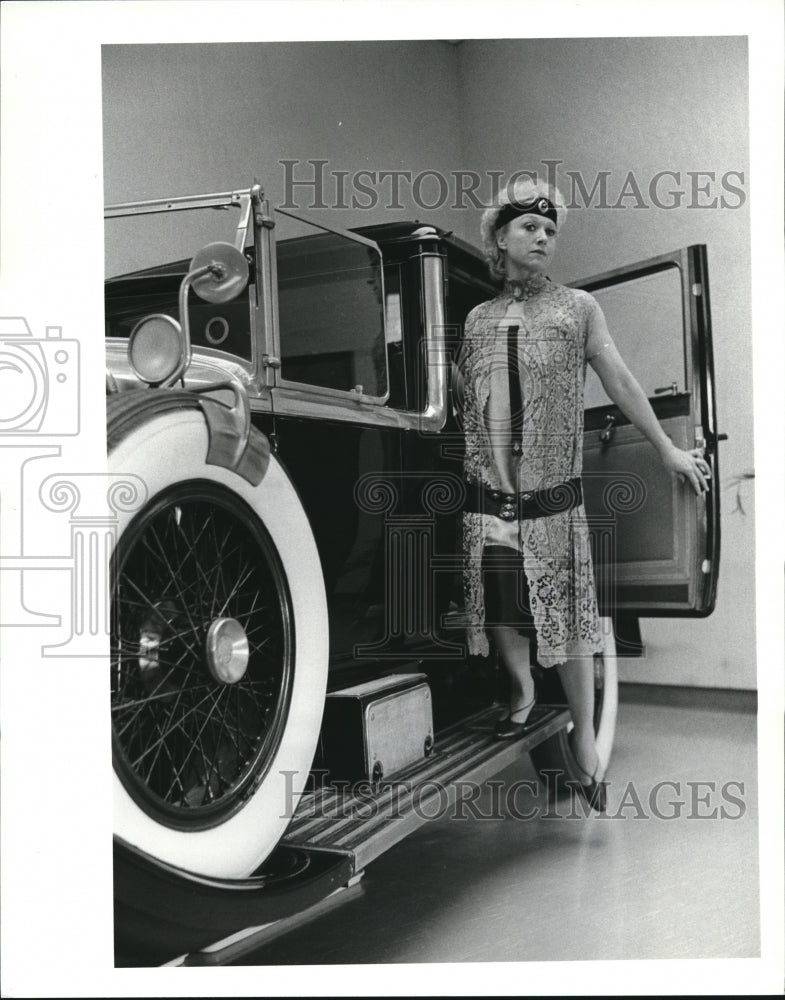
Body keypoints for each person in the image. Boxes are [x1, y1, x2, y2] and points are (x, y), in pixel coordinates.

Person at [456, 177, 711, 811]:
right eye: (528, 229)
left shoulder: (578, 308)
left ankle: (586, 740)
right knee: (505, 606)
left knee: (568, 625)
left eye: (549, 232)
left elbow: (620, 379)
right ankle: (519, 697)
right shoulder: (477, 318)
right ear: (499, 237)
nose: (542, 238)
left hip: (551, 498)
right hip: (491, 495)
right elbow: (467, 395)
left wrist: (666, 448)